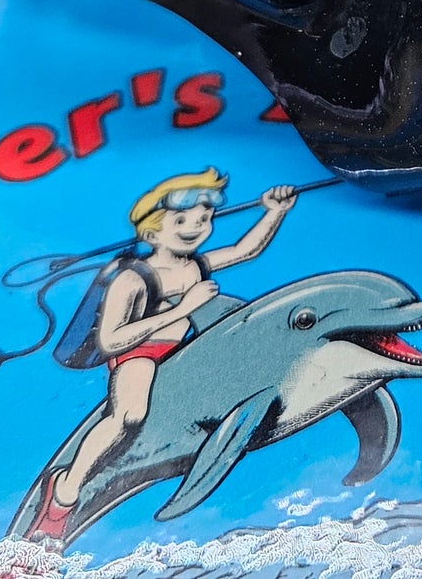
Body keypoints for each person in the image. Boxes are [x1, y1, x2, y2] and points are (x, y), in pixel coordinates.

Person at [27, 168, 299, 543]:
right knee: (128, 416)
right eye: (182, 221)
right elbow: (111, 340)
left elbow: (244, 251)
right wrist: (181, 308)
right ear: (152, 232)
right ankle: (64, 492)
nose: (196, 227)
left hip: (181, 349)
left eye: (204, 219)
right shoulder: (133, 279)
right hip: (137, 352)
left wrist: (275, 212)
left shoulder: (194, 266)